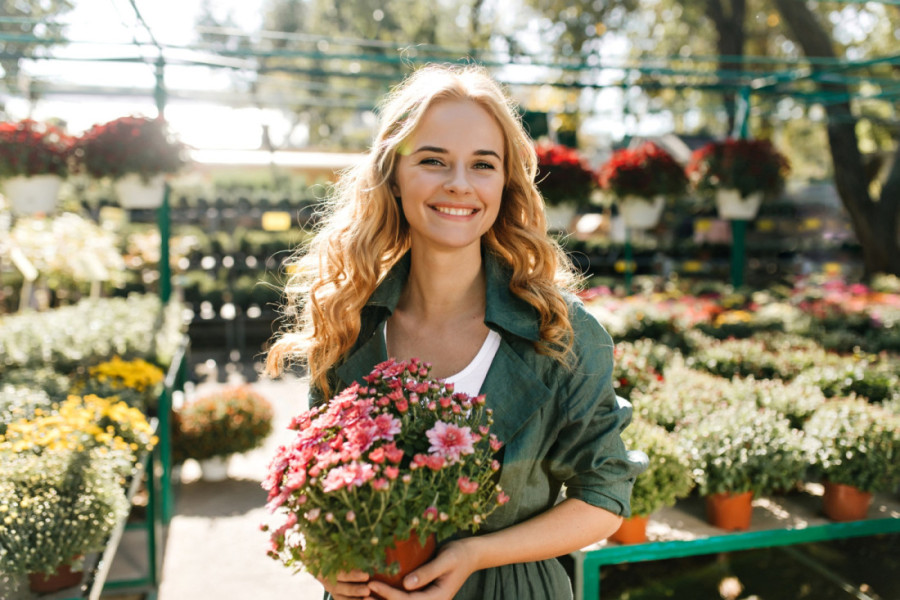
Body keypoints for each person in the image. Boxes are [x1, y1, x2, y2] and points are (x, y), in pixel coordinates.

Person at [266, 63, 647, 600]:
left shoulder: (561, 334)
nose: (459, 184)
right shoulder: (350, 319)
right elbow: (317, 479)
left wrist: (473, 553)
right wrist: (323, 556)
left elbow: (604, 497)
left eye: (482, 165)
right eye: (433, 160)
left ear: (504, 183)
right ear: (393, 177)